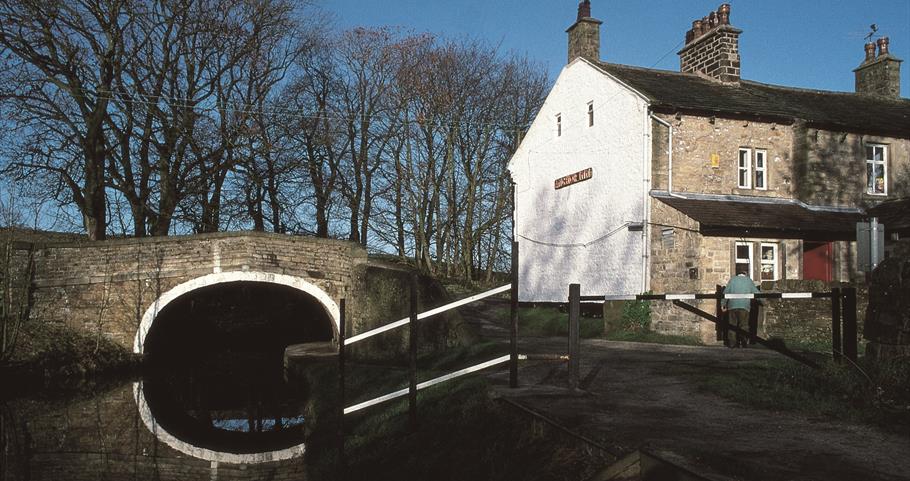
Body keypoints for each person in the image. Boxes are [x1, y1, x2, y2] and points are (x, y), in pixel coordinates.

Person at [722, 269, 759, 348]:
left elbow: (726, 292)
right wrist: (764, 301)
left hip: (732, 306)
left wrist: (723, 304)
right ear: (745, 274)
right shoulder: (748, 281)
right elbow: (756, 292)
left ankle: (732, 344)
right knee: (744, 325)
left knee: (732, 325)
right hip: (744, 306)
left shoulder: (732, 280)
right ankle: (744, 341)